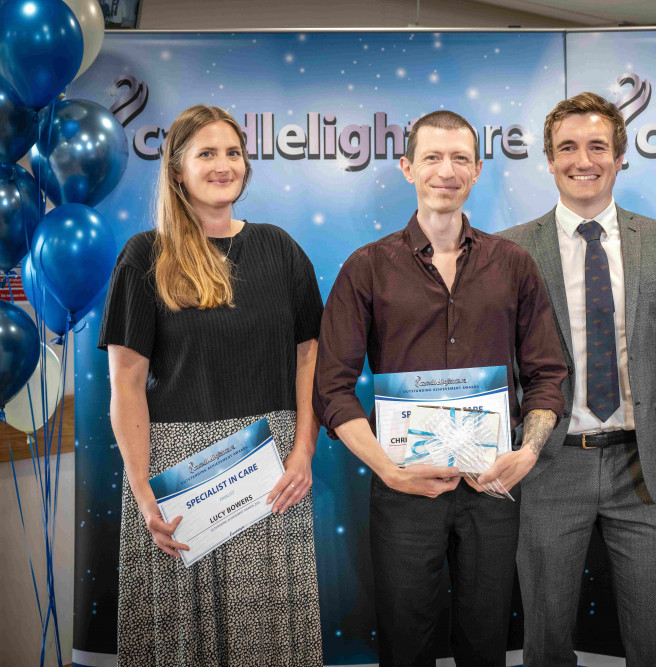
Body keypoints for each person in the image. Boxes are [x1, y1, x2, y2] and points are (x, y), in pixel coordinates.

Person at [312, 109, 567, 667]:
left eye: (459, 159)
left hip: (493, 485)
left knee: (485, 643)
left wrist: (528, 452)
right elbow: (331, 389)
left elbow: (548, 372)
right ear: (407, 168)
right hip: (403, 488)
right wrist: (389, 470)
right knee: (406, 645)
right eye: (431, 157)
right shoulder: (367, 268)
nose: (445, 171)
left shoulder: (515, 266)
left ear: (477, 169)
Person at [497, 92, 656, 667]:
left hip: (644, 465)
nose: (584, 160)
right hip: (549, 464)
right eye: (567, 148)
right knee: (545, 642)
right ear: (549, 160)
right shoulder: (510, 250)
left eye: (598, 146)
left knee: (655, 641)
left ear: (620, 156)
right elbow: (500, 362)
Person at [100, 105, 324, 666]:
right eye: (206, 154)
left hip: (270, 469)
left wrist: (304, 450)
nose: (224, 165)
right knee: (185, 644)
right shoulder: (143, 256)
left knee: (264, 639)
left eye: (232, 152)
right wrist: (142, 491)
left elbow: (310, 356)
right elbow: (126, 383)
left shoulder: (280, 248)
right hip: (178, 472)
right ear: (177, 171)